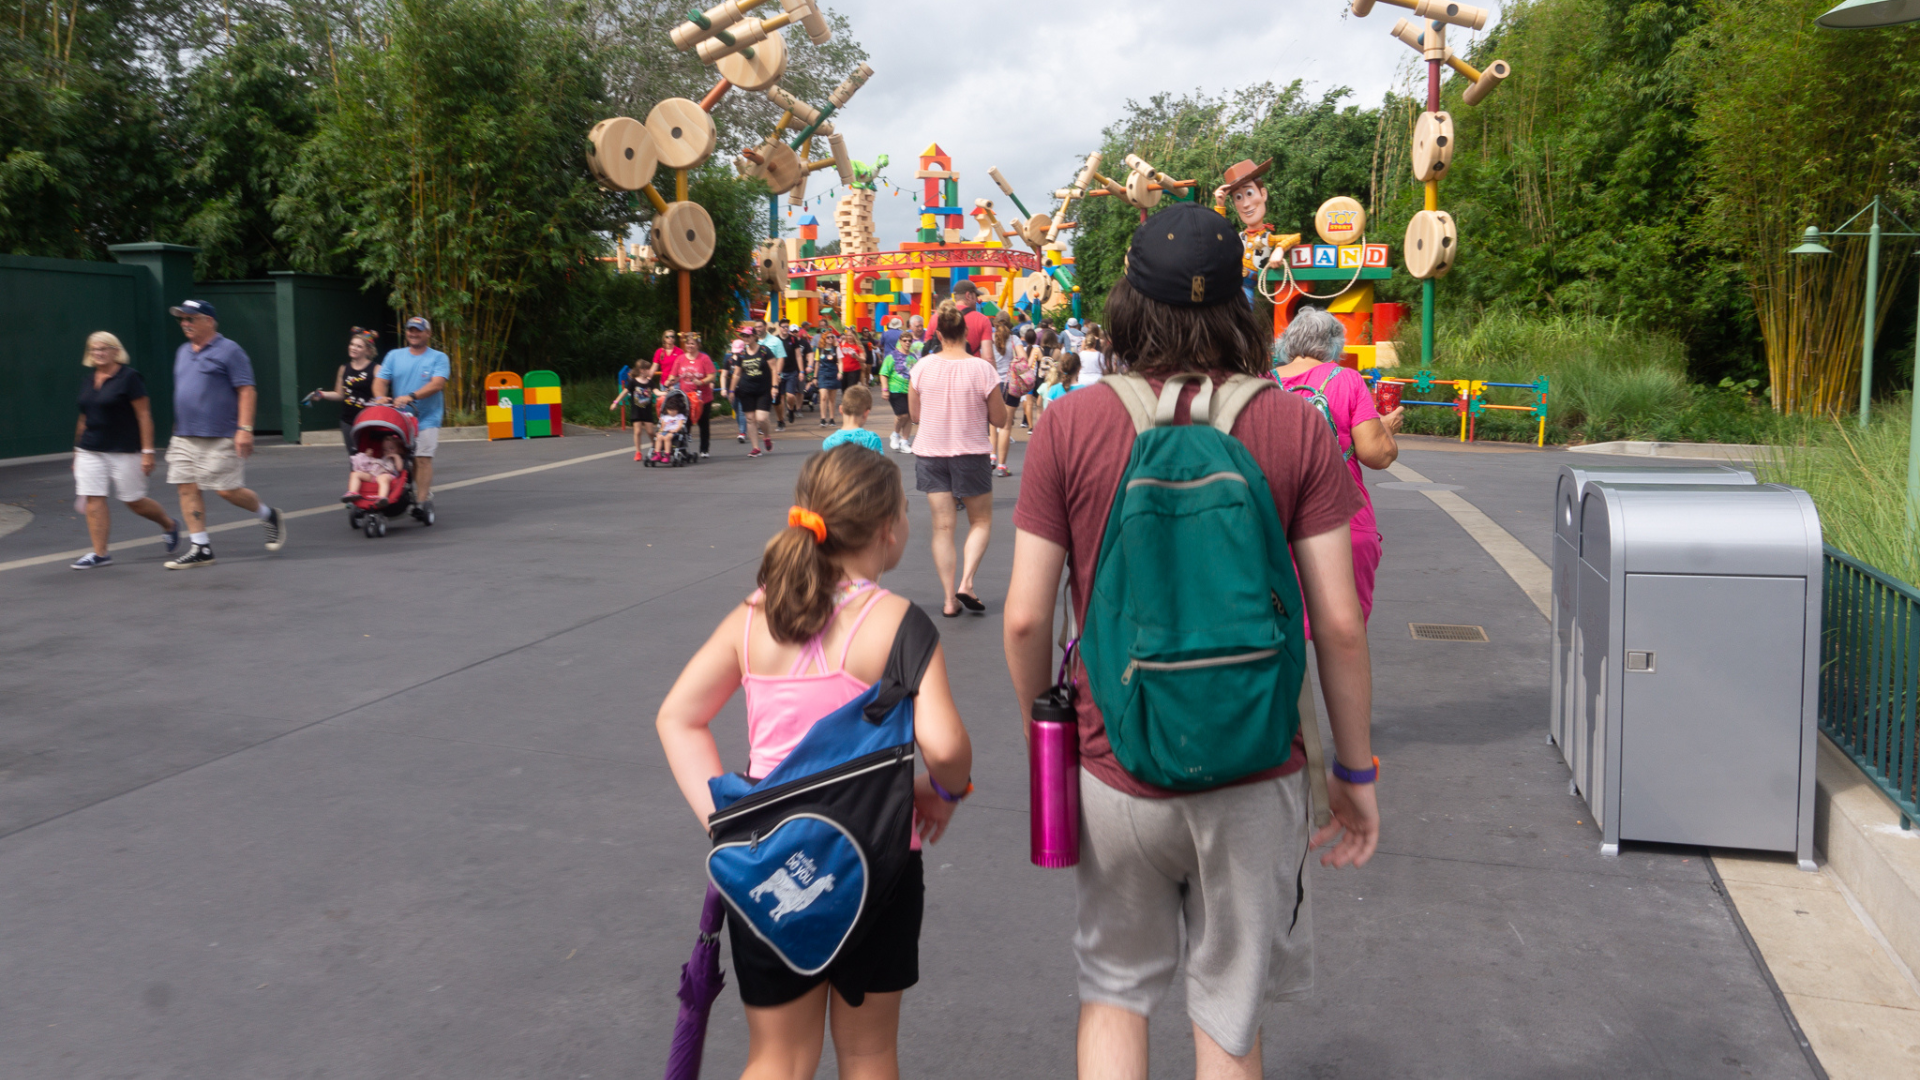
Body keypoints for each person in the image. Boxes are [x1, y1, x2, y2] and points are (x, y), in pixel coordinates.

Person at [1002, 203, 1378, 1078]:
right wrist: (1353, 775)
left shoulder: (1069, 423)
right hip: (1255, 764)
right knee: (1229, 1020)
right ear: (1240, 305)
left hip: (1114, 761)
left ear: (1129, 299)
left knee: (1114, 994)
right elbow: (1340, 624)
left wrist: (1048, 738)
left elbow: (1024, 616)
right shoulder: (1294, 425)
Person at [654, 446, 974, 1080]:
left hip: (770, 863)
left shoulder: (754, 617)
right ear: (887, 528)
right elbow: (945, 746)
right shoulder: (897, 623)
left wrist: (726, 822)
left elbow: (679, 718)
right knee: (869, 1053)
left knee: (779, 1057)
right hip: (876, 867)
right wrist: (942, 790)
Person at [1271, 307, 1404, 622]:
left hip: (1275, 522)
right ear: (1334, 345)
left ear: (1287, 342)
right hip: (1343, 521)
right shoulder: (1347, 380)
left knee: (1282, 636)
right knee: (1345, 633)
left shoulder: (1264, 381)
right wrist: (1386, 430)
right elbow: (1376, 454)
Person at [161, 299, 286, 569]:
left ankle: (269, 514)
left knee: (226, 490)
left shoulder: (230, 351)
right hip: (184, 434)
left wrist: (245, 429)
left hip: (220, 435)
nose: (185, 324)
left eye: (190, 318)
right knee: (186, 487)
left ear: (209, 321)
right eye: (181, 319)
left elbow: (247, 390)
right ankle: (201, 546)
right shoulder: (183, 351)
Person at [908, 299, 1008, 618]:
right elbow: (1000, 419)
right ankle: (966, 582)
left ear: (938, 334)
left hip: (930, 452)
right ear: (967, 333)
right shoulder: (982, 369)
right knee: (979, 521)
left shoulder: (921, 368)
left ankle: (949, 599)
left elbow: (914, 415)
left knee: (943, 527)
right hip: (971, 452)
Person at [69, 331, 180, 569]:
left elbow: (143, 415)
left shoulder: (130, 378)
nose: (98, 353)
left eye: (103, 348)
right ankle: (100, 554)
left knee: (134, 500)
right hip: (90, 449)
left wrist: (148, 451)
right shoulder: (89, 380)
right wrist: (77, 451)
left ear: (116, 351)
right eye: (94, 349)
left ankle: (169, 524)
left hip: (124, 449)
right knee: (94, 497)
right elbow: (84, 417)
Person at [372, 315, 450, 507]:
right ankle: (405, 494)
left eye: (418, 330)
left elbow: (437, 384)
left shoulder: (438, 357)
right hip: (400, 418)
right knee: (408, 460)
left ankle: (422, 501)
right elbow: (380, 381)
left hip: (427, 418)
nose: (414, 334)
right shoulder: (394, 356)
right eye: (410, 330)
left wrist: (411, 396)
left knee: (422, 458)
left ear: (428, 334)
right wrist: (380, 396)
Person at [305, 328, 381, 451]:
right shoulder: (344, 368)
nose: (353, 348)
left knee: (370, 456)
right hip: (348, 420)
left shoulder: (376, 369)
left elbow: (380, 395)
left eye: (359, 346)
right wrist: (321, 394)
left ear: (367, 350)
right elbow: (340, 394)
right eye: (352, 344)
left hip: (368, 420)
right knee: (354, 457)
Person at [667, 331, 716, 457]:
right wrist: (670, 381)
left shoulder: (704, 359)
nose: (690, 346)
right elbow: (675, 375)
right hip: (685, 397)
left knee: (703, 423)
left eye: (692, 344)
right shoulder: (681, 359)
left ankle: (704, 449)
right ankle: (682, 449)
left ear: (698, 345)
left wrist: (701, 381)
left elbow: (712, 375)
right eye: (688, 343)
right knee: (684, 422)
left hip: (702, 397)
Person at [733, 326, 778, 457]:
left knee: (761, 418)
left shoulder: (764, 351)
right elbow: (736, 373)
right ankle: (755, 448)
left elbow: (774, 369)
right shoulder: (741, 354)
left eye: (747, 336)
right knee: (750, 419)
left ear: (754, 337)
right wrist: (731, 390)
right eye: (743, 336)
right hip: (746, 390)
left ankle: (766, 436)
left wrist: (774, 387)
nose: (745, 338)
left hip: (763, 389)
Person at [611, 354, 660, 462]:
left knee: (651, 432)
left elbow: (656, 391)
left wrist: (664, 393)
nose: (649, 370)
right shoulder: (633, 382)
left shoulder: (650, 382)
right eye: (647, 369)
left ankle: (656, 449)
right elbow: (625, 392)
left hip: (647, 411)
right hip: (636, 411)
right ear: (642, 370)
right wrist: (616, 402)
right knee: (637, 431)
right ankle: (638, 452)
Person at [990, 317, 1022, 476]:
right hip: (1011, 384)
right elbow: (1023, 359)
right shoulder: (1014, 339)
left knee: (992, 422)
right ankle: (1002, 466)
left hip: (993, 384)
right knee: (1005, 425)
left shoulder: (990, 338)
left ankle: (991, 456)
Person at [877, 332, 917, 454]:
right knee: (902, 415)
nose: (907, 343)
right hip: (895, 389)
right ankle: (895, 434)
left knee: (910, 416)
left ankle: (904, 441)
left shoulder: (913, 357)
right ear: (900, 341)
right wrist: (885, 389)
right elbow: (883, 373)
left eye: (909, 341)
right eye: (905, 340)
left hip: (909, 390)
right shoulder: (892, 356)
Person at [822, 384, 887, 454]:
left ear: (841, 409)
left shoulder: (829, 442)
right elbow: (880, 464)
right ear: (866, 413)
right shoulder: (871, 439)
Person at [344, 433, 404, 505]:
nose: (388, 451)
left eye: (392, 448)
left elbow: (399, 468)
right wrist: (368, 456)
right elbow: (374, 463)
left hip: (389, 475)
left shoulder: (397, 458)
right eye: (385, 449)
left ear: (399, 450)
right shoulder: (383, 457)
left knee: (382, 478)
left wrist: (396, 456)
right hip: (374, 475)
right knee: (354, 474)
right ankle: (353, 492)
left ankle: (382, 497)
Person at [949, 279, 994, 358]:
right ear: (968, 296)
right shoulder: (982, 320)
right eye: (976, 296)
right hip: (972, 368)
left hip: (944, 368)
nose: (977, 300)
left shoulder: (938, 317)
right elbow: (988, 357)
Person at [815, 329, 843, 426]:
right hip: (823, 374)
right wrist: (814, 377)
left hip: (833, 374)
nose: (830, 339)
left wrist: (840, 372)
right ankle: (823, 418)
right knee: (823, 396)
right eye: (828, 337)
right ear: (824, 338)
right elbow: (817, 363)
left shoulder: (836, 349)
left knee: (832, 398)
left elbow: (840, 362)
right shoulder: (819, 349)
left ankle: (831, 418)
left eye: (832, 337)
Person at [654, 395, 688, 461]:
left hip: (674, 432)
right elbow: (662, 427)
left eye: (673, 410)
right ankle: (657, 454)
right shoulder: (665, 417)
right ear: (667, 410)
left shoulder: (680, 416)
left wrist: (676, 430)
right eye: (670, 410)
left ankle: (667, 455)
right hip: (665, 431)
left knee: (667, 437)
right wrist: (660, 432)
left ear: (677, 409)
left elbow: (681, 425)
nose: (672, 412)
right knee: (659, 437)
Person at [1075, 323, 1107, 387]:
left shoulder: (1081, 354)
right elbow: (1104, 368)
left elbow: (1078, 366)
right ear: (1094, 343)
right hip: (1097, 380)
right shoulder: (1100, 352)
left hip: (1083, 380)